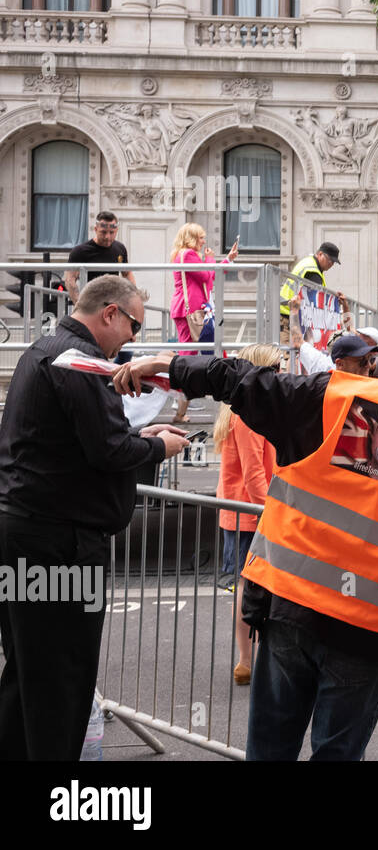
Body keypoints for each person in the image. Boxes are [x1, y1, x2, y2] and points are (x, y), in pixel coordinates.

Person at [114, 304, 378, 761]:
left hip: (291, 609)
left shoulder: (336, 396)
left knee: (269, 750)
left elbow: (241, 380)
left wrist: (166, 364)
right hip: (368, 630)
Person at [0, 275, 189, 760]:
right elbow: (107, 448)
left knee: (28, 669)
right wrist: (157, 445)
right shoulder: (79, 362)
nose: (133, 339)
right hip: (61, 541)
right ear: (110, 313)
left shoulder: (43, 350)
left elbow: (80, 437)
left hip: (27, 533)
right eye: (134, 326)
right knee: (62, 678)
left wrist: (142, 431)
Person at [214, 343, 280, 686]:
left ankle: (248, 659)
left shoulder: (238, 411)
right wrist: (271, 510)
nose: (281, 374)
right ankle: (246, 659)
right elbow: (255, 474)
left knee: (247, 586)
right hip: (251, 514)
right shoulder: (249, 416)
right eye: (275, 368)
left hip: (242, 513)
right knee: (249, 587)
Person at [170, 223, 239, 421]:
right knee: (188, 355)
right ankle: (179, 397)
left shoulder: (183, 255)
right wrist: (211, 258)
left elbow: (210, 276)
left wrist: (227, 260)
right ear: (191, 238)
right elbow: (206, 274)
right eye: (200, 237)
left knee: (194, 353)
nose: (203, 241)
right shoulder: (188, 255)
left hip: (191, 310)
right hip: (190, 311)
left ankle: (182, 401)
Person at [64, 211, 137, 304]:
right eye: (103, 232)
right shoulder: (80, 251)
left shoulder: (120, 248)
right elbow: (70, 280)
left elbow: (127, 274)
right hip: (91, 303)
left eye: (112, 232)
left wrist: (134, 297)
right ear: (95, 229)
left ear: (117, 230)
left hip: (113, 302)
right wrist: (79, 304)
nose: (107, 237)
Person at [279, 241, 343, 341]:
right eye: (329, 260)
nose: (331, 264)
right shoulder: (313, 271)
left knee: (294, 353)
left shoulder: (309, 263)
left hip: (290, 314)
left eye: (333, 262)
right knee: (287, 354)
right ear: (320, 254)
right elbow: (317, 302)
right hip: (289, 317)